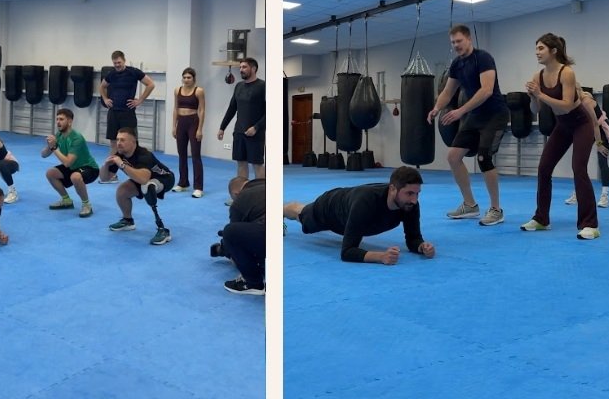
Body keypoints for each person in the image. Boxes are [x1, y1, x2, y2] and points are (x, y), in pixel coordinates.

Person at [426, 24, 510, 226]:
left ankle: (496, 210)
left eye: (459, 41)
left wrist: (461, 111)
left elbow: (486, 90)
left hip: (495, 115)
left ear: (469, 39)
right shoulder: (457, 64)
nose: (456, 45)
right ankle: (470, 205)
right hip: (476, 115)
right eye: (453, 42)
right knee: (453, 157)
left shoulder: (483, 58)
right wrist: (436, 108)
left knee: (484, 158)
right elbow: (448, 92)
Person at [520, 34, 602, 240]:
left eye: (541, 48)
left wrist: (540, 94)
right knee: (544, 168)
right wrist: (533, 97)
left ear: (553, 51)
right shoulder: (537, 76)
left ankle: (590, 224)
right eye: (536, 48)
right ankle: (541, 219)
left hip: (581, 123)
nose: (537, 52)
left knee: (578, 169)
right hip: (563, 125)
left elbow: (566, 105)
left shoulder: (567, 73)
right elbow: (535, 109)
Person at [282, 166, 435, 264]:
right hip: (329, 208)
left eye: (417, 193)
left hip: (349, 206)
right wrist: (380, 257)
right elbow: (347, 252)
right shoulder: (366, 203)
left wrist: (422, 246)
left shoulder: (410, 205)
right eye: (409, 193)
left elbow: (413, 238)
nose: (414, 200)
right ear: (393, 189)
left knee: (303, 211)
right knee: (300, 214)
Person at [100, 127, 176, 245]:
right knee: (122, 191)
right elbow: (104, 178)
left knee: (148, 187)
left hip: (164, 179)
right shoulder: (120, 154)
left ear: (133, 141)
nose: (118, 143)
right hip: (142, 178)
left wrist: (122, 165)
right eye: (118, 139)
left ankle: (163, 230)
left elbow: (143, 179)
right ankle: (128, 220)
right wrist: (105, 165)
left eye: (123, 140)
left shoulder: (144, 155)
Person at [99, 50, 155, 173]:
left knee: (132, 143)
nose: (117, 65)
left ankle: (139, 171)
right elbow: (102, 86)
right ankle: (112, 173)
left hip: (127, 113)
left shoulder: (134, 72)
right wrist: (105, 99)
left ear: (124, 60)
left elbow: (150, 84)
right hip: (113, 113)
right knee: (113, 143)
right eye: (115, 63)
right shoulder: (111, 74)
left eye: (119, 62)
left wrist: (140, 100)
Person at [41, 108, 100, 218]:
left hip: (90, 168)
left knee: (75, 176)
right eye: (57, 119)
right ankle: (66, 200)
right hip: (73, 167)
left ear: (69, 121)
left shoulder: (77, 138)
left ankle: (86, 205)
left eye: (61, 119)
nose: (58, 122)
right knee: (50, 173)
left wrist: (54, 148)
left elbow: (67, 163)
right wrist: (49, 146)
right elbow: (43, 155)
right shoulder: (59, 135)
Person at [213, 177, 266, 295]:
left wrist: (223, 250)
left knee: (230, 232)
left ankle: (253, 283)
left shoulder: (239, 201)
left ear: (235, 194)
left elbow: (234, 238)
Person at [218, 58, 265, 181]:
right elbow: (232, 108)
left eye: (244, 67)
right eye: (240, 67)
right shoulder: (239, 86)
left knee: (257, 165)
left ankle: (260, 191)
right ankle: (242, 191)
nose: (241, 70)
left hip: (255, 134)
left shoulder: (263, 86)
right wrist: (222, 128)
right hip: (239, 132)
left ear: (253, 68)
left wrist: (256, 127)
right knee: (241, 163)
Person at [566, 91, 609, 207]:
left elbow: (595, 125)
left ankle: (605, 196)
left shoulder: (586, 102)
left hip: (600, 128)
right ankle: (578, 193)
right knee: (579, 162)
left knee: (602, 160)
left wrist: (599, 144)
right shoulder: (574, 103)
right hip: (589, 128)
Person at [172, 67, 205, 198]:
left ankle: (198, 187)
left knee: (196, 155)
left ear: (193, 79)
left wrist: (200, 129)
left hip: (193, 122)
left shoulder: (199, 91)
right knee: (182, 154)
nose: (186, 80)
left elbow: (201, 110)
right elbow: (175, 108)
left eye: (189, 77)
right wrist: (174, 126)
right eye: (184, 77)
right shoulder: (177, 90)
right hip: (181, 123)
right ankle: (183, 182)